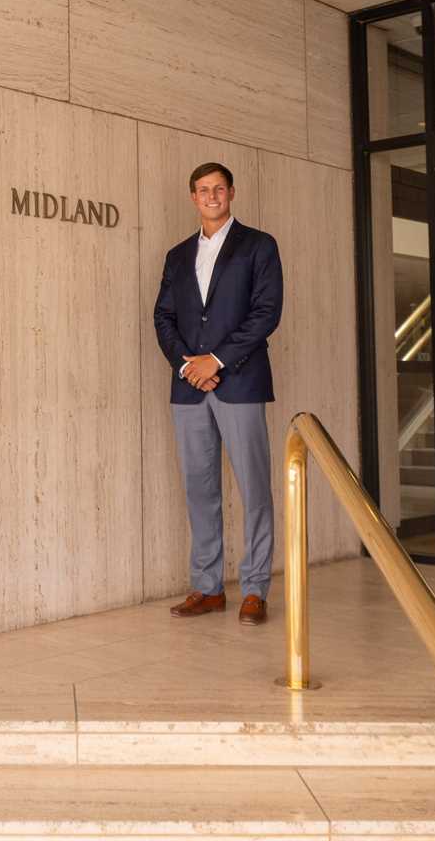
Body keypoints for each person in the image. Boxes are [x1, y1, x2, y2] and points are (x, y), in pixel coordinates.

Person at [153, 162, 284, 625]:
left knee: (254, 489)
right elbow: (163, 317)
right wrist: (189, 365)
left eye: (219, 189)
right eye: (203, 190)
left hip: (240, 383)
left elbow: (266, 313)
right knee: (199, 490)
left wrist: (218, 361)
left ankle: (254, 589)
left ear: (232, 193)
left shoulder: (259, 246)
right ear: (193, 197)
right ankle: (207, 588)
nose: (211, 196)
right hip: (189, 388)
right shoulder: (177, 255)